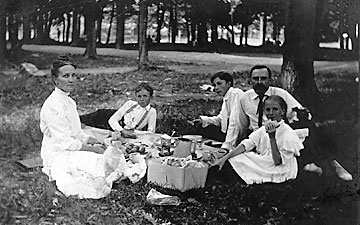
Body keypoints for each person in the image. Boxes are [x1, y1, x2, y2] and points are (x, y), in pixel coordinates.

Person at [39, 59, 130, 199]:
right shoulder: (53, 106)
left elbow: (77, 133)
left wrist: (95, 141)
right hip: (58, 153)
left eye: (73, 75)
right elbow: (65, 143)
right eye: (66, 76)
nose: (71, 80)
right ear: (55, 79)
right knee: (95, 169)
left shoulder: (69, 101)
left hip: (71, 147)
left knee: (109, 159)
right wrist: (93, 149)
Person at [212, 95, 304, 185]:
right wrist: (225, 158)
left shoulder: (288, 132)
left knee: (243, 160)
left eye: (275, 109)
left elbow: (277, 161)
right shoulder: (263, 129)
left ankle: (239, 178)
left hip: (282, 168)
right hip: (266, 161)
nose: (271, 113)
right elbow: (246, 145)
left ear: (282, 111)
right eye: (268, 110)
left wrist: (272, 137)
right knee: (236, 156)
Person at [233, 65, 304, 142]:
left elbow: (299, 115)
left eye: (263, 78)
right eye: (256, 79)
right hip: (255, 139)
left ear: (270, 80)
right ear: (250, 81)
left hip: (278, 138)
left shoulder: (282, 94)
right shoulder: (245, 98)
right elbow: (242, 125)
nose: (259, 82)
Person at [189, 71, 243, 149]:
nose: (216, 88)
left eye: (219, 84)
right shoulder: (226, 97)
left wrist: (227, 146)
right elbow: (221, 119)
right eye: (214, 85)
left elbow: (234, 123)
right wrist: (203, 120)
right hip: (230, 134)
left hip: (243, 136)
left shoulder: (236, 94)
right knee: (202, 128)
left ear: (229, 84)